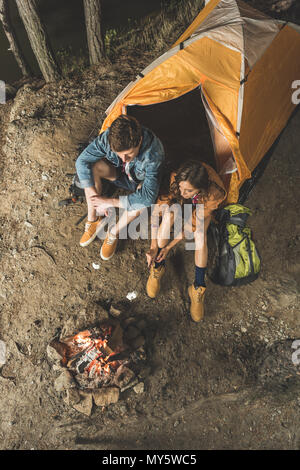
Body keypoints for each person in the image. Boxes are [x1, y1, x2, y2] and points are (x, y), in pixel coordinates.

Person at [146, 160, 227, 322]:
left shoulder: (214, 193)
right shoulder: (177, 178)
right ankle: (158, 266)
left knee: (200, 235)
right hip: (182, 206)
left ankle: (197, 287)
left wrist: (169, 247)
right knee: (168, 214)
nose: (183, 192)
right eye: (181, 188)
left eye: (188, 190)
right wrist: (154, 246)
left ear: (200, 189)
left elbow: (193, 226)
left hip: (201, 206)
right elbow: (158, 211)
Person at [75, 115, 165, 260]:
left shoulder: (154, 154)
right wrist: (95, 199)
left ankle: (113, 233)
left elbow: (148, 197)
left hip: (138, 183)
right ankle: (93, 219)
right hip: (119, 175)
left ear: (140, 141)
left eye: (129, 154)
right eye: (119, 155)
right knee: (93, 167)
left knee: (141, 202)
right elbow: (82, 161)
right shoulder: (108, 138)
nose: (123, 160)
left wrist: (108, 202)